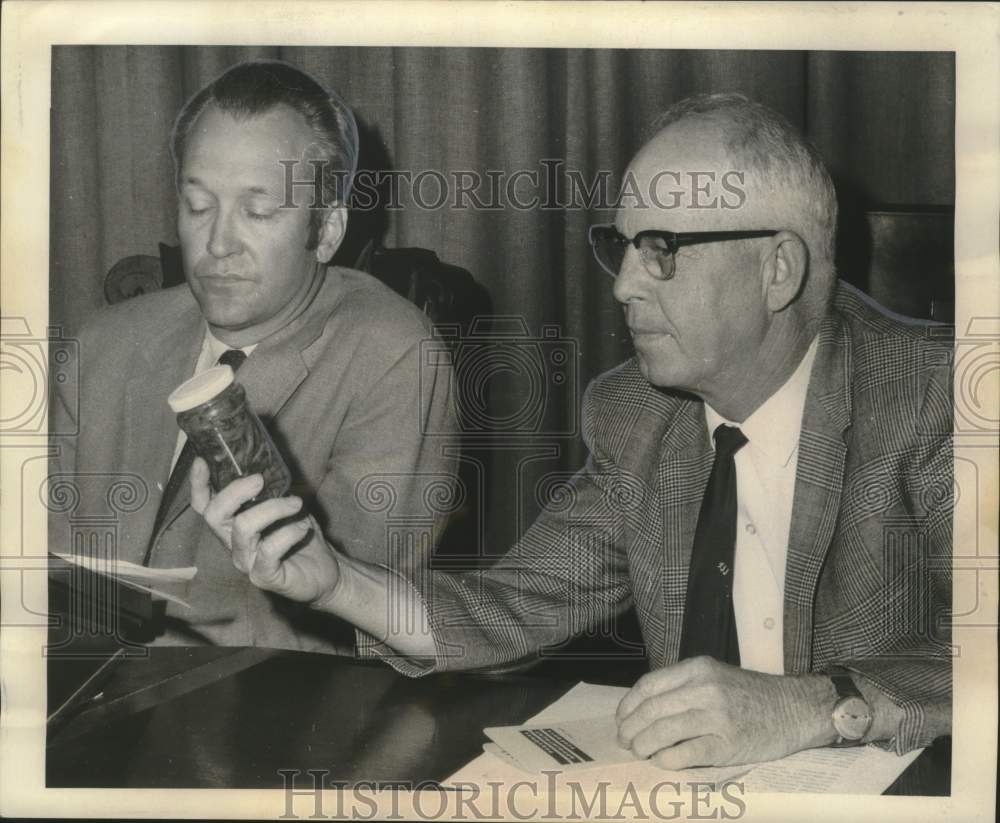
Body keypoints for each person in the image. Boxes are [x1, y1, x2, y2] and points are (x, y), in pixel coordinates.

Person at [191, 93, 952, 766]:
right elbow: (509, 608)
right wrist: (333, 579)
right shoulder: (636, 413)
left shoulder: (933, 399)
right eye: (620, 248)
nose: (622, 286)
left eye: (661, 251)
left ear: (778, 270)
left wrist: (820, 705)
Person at [48, 59, 457, 653]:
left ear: (327, 230)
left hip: (264, 712)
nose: (217, 244)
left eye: (258, 212)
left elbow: (360, 625)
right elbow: (45, 565)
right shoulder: (104, 343)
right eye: (198, 205)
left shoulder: (395, 358)